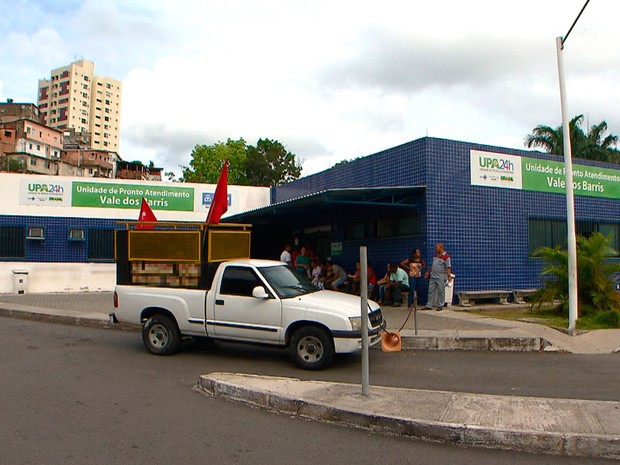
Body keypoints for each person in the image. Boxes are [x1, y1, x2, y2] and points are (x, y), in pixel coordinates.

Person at [424, 243, 452, 311]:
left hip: (441, 276)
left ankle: (440, 305)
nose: (435, 249)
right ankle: (429, 305)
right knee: (430, 290)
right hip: (433, 275)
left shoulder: (446, 257)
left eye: (436, 247)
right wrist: (429, 272)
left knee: (441, 291)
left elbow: (448, 267)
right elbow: (433, 265)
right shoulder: (435, 255)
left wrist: (449, 276)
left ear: (441, 247)